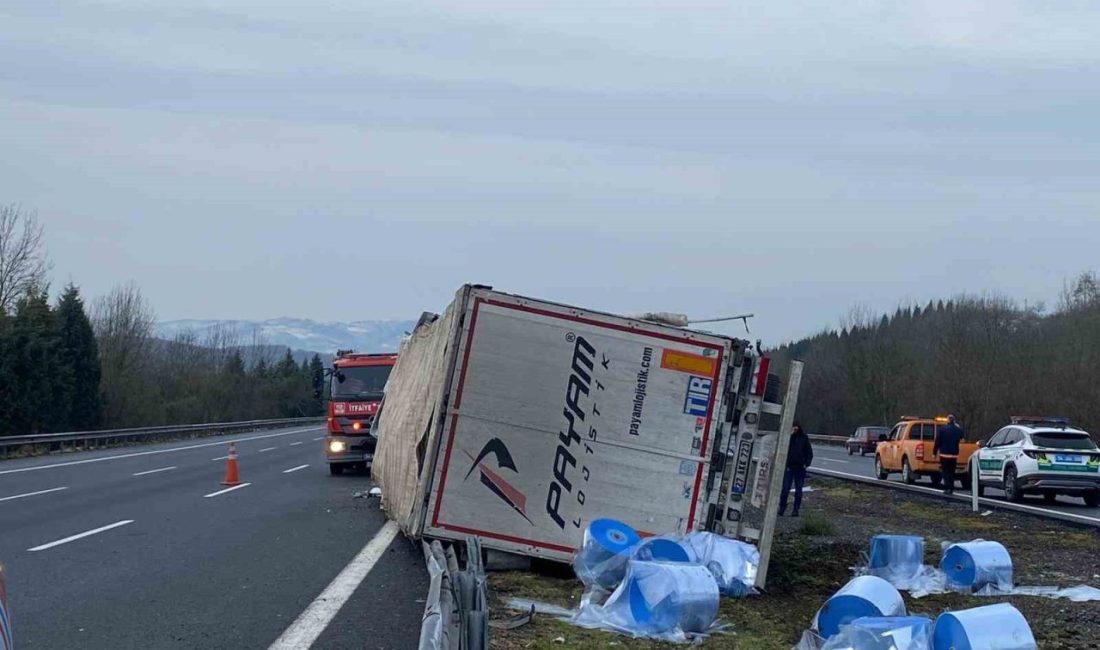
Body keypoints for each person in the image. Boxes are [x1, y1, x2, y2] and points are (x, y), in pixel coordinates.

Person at [779, 422, 813, 517]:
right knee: (785, 489)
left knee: (798, 490)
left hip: (800, 468)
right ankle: (782, 508)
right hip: (789, 467)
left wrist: (806, 464)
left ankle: (795, 510)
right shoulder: (788, 438)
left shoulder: (803, 438)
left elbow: (809, 452)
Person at [934, 414, 965, 495]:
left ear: (947, 420)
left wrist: (934, 452)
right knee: (952, 472)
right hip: (954, 454)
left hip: (944, 454)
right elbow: (962, 436)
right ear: (954, 421)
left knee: (945, 472)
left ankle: (947, 487)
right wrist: (958, 427)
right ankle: (951, 487)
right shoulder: (957, 430)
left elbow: (937, 442)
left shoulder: (942, 430)